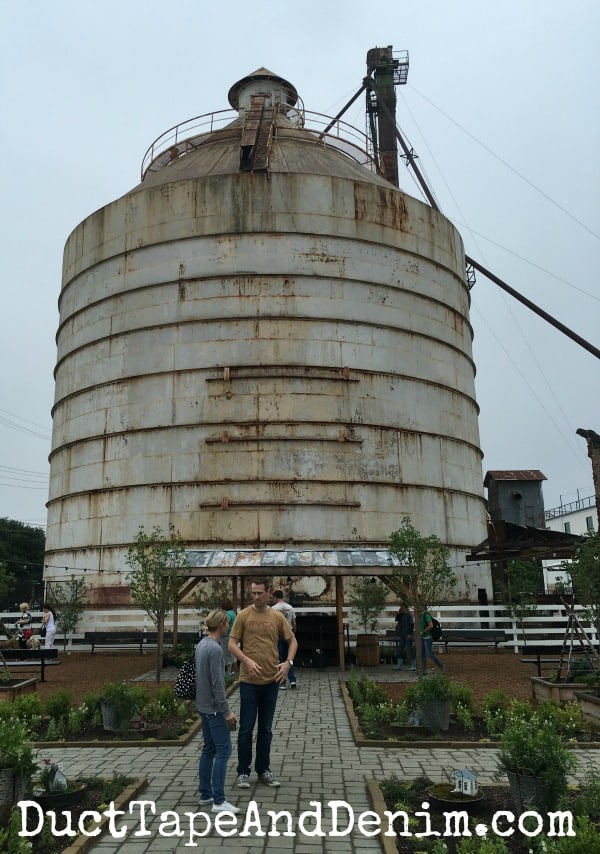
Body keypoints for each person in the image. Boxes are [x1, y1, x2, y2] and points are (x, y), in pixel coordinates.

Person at [228, 578, 298, 789]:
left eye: (259, 593)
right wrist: (246, 660)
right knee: (246, 729)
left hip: (271, 681)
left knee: (266, 729)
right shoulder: (243, 615)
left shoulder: (276, 617)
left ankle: (264, 770)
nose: (256, 597)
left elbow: (292, 640)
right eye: (253, 593)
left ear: (268, 593)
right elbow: (232, 643)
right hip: (249, 682)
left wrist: (288, 664)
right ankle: (243, 771)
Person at [195, 609, 240, 814]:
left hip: (203, 706)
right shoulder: (215, 649)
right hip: (213, 709)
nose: (228, 626)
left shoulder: (202, 645)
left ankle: (205, 794)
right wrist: (226, 711)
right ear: (222, 625)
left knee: (209, 749)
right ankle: (219, 801)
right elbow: (217, 684)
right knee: (224, 751)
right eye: (227, 623)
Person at [271, 590, 297, 689]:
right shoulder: (290, 608)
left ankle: (282, 682)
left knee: (279, 658)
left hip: (278, 635)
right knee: (289, 658)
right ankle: (293, 680)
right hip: (289, 634)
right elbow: (294, 622)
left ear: (275, 597)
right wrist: (294, 633)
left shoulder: (273, 609)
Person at [394, 603, 415, 670]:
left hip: (408, 635)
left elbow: (412, 625)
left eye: (402, 608)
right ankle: (399, 664)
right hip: (402, 635)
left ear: (406, 608)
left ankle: (413, 665)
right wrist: (399, 613)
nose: (401, 609)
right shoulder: (402, 615)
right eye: (401, 608)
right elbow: (396, 619)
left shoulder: (409, 615)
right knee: (400, 649)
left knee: (410, 650)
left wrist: (409, 634)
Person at [219, 599, 237, 674]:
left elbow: (224, 623)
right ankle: (231, 671)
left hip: (225, 636)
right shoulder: (233, 613)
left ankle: (228, 673)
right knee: (231, 654)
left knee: (226, 655)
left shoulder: (227, 614)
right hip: (232, 635)